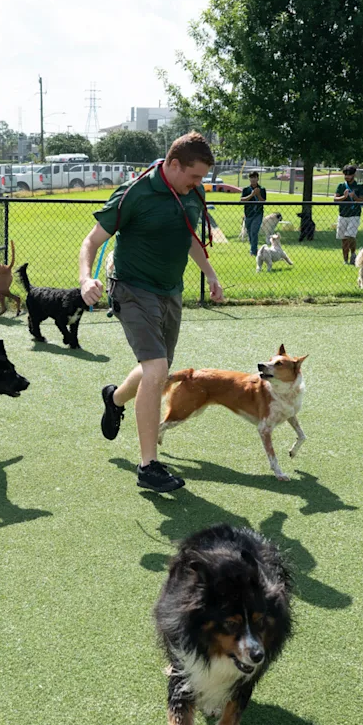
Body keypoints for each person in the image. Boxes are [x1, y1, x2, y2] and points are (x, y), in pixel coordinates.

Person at [79, 132, 223, 493]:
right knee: (157, 370)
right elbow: (92, 241)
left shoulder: (193, 192)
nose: (199, 184)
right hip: (132, 288)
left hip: (170, 291)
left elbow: (190, 236)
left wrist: (212, 276)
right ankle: (148, 466)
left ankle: (114, 399)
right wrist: (85, 280)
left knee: (154, 369)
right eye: (194, 176)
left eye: (202, 178)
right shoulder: (135, 193)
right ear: (174, 165)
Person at [334, 166, 363, 265]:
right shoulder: (341, 186)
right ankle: (345, 260)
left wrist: (354, 197)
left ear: (354, 175)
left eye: (349, 175)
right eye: (345, 175)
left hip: (354, 214)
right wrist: (344, 197)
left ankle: (353, 254)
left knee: (350, 235)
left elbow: (362, 200)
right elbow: (335, 199)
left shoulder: (359, 186)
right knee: (343, 238)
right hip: (343, 214)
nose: (347, 177)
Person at [239, 171, 268, 256]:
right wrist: (251, 195)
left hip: (258, 214)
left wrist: (258, 195)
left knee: (254, 231)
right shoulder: (246, 189)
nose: (253, 180)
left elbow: (263, 201)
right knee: (250, 232)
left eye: (255, 178)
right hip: (248, 214)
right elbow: (242, 200)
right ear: (249, 179)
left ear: (258, 179)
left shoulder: (262, 189)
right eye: (251, 178)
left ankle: (253, 251)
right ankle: (254, 248)